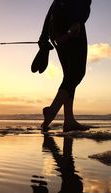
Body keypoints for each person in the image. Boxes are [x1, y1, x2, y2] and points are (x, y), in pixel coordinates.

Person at [36, 0, 92, 132]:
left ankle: (69, 120)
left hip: (56, 26)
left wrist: (44, 36)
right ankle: (52, 112)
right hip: (71, 23)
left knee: (69, 75)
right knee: (77, 73)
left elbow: (54, 5)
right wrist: (78, 21)